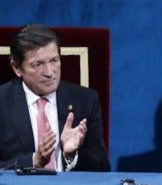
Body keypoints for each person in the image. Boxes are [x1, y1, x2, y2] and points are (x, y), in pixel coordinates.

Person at [0, 24, 110, 171]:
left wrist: (72, 156)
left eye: (54, 60)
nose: (50, 72)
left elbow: (103, 167)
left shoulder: (86, 100)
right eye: (37, 64)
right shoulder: (2, 102)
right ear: (17, 68)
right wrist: (33, 161)